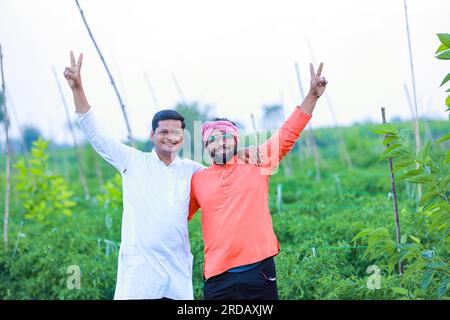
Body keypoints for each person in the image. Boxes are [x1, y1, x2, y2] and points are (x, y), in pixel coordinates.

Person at [63, 51, 258, 299]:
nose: (170, 137)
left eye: (175, 133)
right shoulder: (132, 161)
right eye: (163, 132)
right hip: (140, 275)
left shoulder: (192, 171)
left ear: (183, 137)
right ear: (152, 135)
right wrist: (77, 89)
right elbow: (96, 134)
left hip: (176, 274)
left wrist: (237, 150)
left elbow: (221, 174)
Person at [189, 62, 328, 300]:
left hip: (259, 272)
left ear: (235, 140)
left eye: (225, 137)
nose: (219, 142)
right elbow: (174, 217)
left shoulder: (257, 162)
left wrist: (312, 96)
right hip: (217, 278)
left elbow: (287, 133)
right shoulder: (197, 180)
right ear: (205, 146)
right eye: (211, 139)